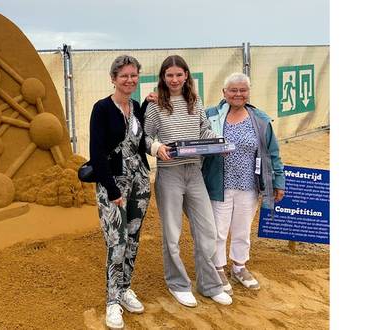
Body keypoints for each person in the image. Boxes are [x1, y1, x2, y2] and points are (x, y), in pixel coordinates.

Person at [142, 55, 232, 307]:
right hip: (169, 173)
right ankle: (178, 283)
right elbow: (145, 137)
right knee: (172, 234)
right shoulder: (155, 104)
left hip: (194, 172)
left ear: (186, 76)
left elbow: (203, 130)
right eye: (169, 75)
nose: (174, 80)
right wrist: (157, 147)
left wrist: (217, 141)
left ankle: (209, 284)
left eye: (178, 75)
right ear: (163, 77)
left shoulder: (195, 100)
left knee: (207, 230)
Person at [201, 72, 285, 294]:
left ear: (248, 92)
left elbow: (273, 154)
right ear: (224, 93)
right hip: (220, 184)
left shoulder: (260, 120)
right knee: (218, 230)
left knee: (242, 230)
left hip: (249, 185)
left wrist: (279, 181)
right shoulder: (211, 116)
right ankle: (218, 268)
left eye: (243, 90)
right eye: (233, 90)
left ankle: (239, 267)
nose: (238, 94)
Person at [89, 55, 151, 329]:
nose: (130, 80)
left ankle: (126, 288)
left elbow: (138, 143)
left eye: (134, 75)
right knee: (117, 241)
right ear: (113, 79)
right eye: (124, 76)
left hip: (139, 181)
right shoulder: (102, 108)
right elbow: (97, 153)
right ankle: (112, 301)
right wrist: (112, 190)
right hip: (112, 184)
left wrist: (148, 103)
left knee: (134, 238)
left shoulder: (136, 107)